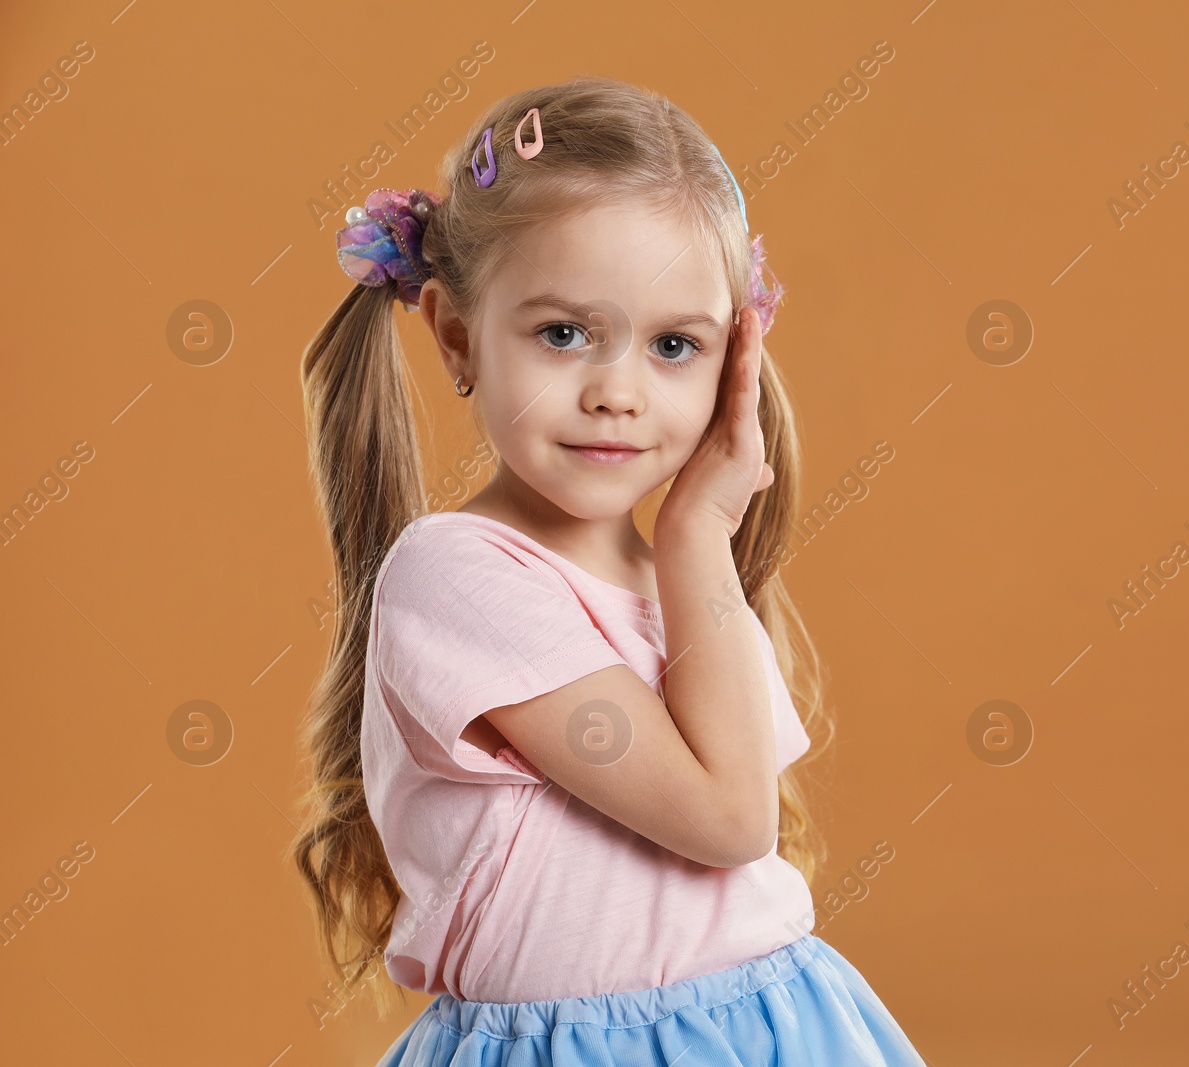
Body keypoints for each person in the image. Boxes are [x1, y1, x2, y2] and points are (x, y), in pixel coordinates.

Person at [289, 76, 927, 1065]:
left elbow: (738, 814)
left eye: (674, 344)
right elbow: (726, 818)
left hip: (777, 1027)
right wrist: (694, 538)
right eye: (563, 334)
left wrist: (688, 551)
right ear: (456, 335)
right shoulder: (455, 574)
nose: (619, 393)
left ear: (733, 360)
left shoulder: (680, 576)